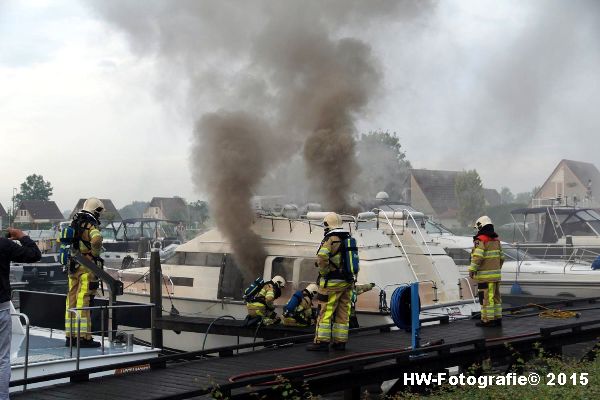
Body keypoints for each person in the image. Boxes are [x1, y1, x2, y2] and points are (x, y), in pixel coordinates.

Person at [0, 227, 41, 399]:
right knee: (2, 359)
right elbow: (34, 254)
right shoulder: (3, 244)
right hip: (0, 307)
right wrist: (22, 236)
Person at [307, 212, 354, 351]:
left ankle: (321, 342)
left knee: (325, 311)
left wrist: (324, 273)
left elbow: (322, 257)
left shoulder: (331, 239)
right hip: (347, 282)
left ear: (327, 224)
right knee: (343, 312)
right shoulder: (347, 237)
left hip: (332, 283)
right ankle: (340, 342)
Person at [64, 198, 104, 348]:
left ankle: (70, 337)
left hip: (72, 266)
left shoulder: (74, 222)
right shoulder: (90, 224)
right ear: (97, 211)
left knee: (71, 299)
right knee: (84, 300)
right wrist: (94, 254)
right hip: (86, 268)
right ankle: (83, 338)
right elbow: (96, 239)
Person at [468, 216, 504, 327]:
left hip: (485, 277)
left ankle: (488, 320)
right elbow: (502, 258)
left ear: (480, 226)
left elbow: (477, 257)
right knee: (496, 298)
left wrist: (472, 269)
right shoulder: (496, 240)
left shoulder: (480, 240)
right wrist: (496, 269)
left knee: (486, 299)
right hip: (496, 276)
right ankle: (497, 318)